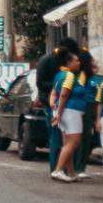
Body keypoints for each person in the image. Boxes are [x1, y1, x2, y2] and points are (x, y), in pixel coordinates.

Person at [35, 37, 81, 172]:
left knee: (68, 140)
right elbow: (41, 83)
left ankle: (69, 170)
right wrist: (60, 87)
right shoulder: (48, 61)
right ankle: (56, 169)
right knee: (56, 139)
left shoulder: (68, 67)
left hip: (68, 107)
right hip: (53, 106)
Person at [50, 51, 86, 182]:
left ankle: (71, 172)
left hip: (65, 112)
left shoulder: (59, 75)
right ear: (69, 63)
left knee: (67, 143)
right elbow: (64, 94)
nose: (79, 63)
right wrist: (59, 113)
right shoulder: (69, 76)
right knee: (73, 142)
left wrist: (55, 107)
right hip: (71, 112)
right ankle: (58, 170)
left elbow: (54, 93)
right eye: (76, 60)